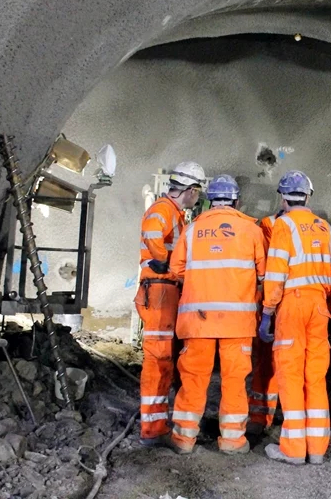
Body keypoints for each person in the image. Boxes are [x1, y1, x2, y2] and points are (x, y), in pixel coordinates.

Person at [169, 174, 266, 455]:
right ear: (236, 201)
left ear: (211, 201)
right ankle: (233, 441)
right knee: (235, 379)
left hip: (198, 320)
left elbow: (176, 270)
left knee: (194, 378)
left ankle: (184, 440)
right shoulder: (251, 230)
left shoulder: (192, 229)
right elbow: (264, 274)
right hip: (237, 322)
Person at [260, 171, 331, 465]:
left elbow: (276, 272)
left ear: (282, 197)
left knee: (290, 375)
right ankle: (317, 450)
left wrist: (267, 312)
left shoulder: (283, 225)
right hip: (319, 307)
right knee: (315, 377)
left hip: (292, 306)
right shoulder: (324, 228)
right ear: (308, 196)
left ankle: (293, 450)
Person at [135, 161, 205, 446]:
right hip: (160, 290)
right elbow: (152, 232)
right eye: (197, 191)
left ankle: (158, 422)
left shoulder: (175, 213)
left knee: (166, 359)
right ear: (188, 190)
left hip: (166, 290)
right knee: (158, 358)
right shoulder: (163, 210)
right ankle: (152, 429)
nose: (197, 197)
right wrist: (164, 260)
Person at [248, 211, 284, 433]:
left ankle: (261, 419)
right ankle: (267, 417)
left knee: (267, 362)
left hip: (274, 302)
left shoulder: (267, 225)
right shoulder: (318, 228)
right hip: (289, 304)